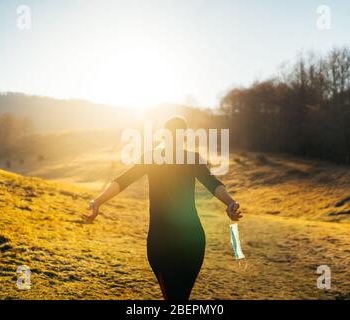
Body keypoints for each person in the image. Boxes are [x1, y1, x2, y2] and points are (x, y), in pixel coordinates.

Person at [83, 116, 242, 300]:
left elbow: (212, 183)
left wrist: (230, 203)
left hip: (182, 242)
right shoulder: (161, 158)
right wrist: (98, 201)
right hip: (178, 241)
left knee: (177, 299)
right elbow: (123, 180)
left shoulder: (184, 158)